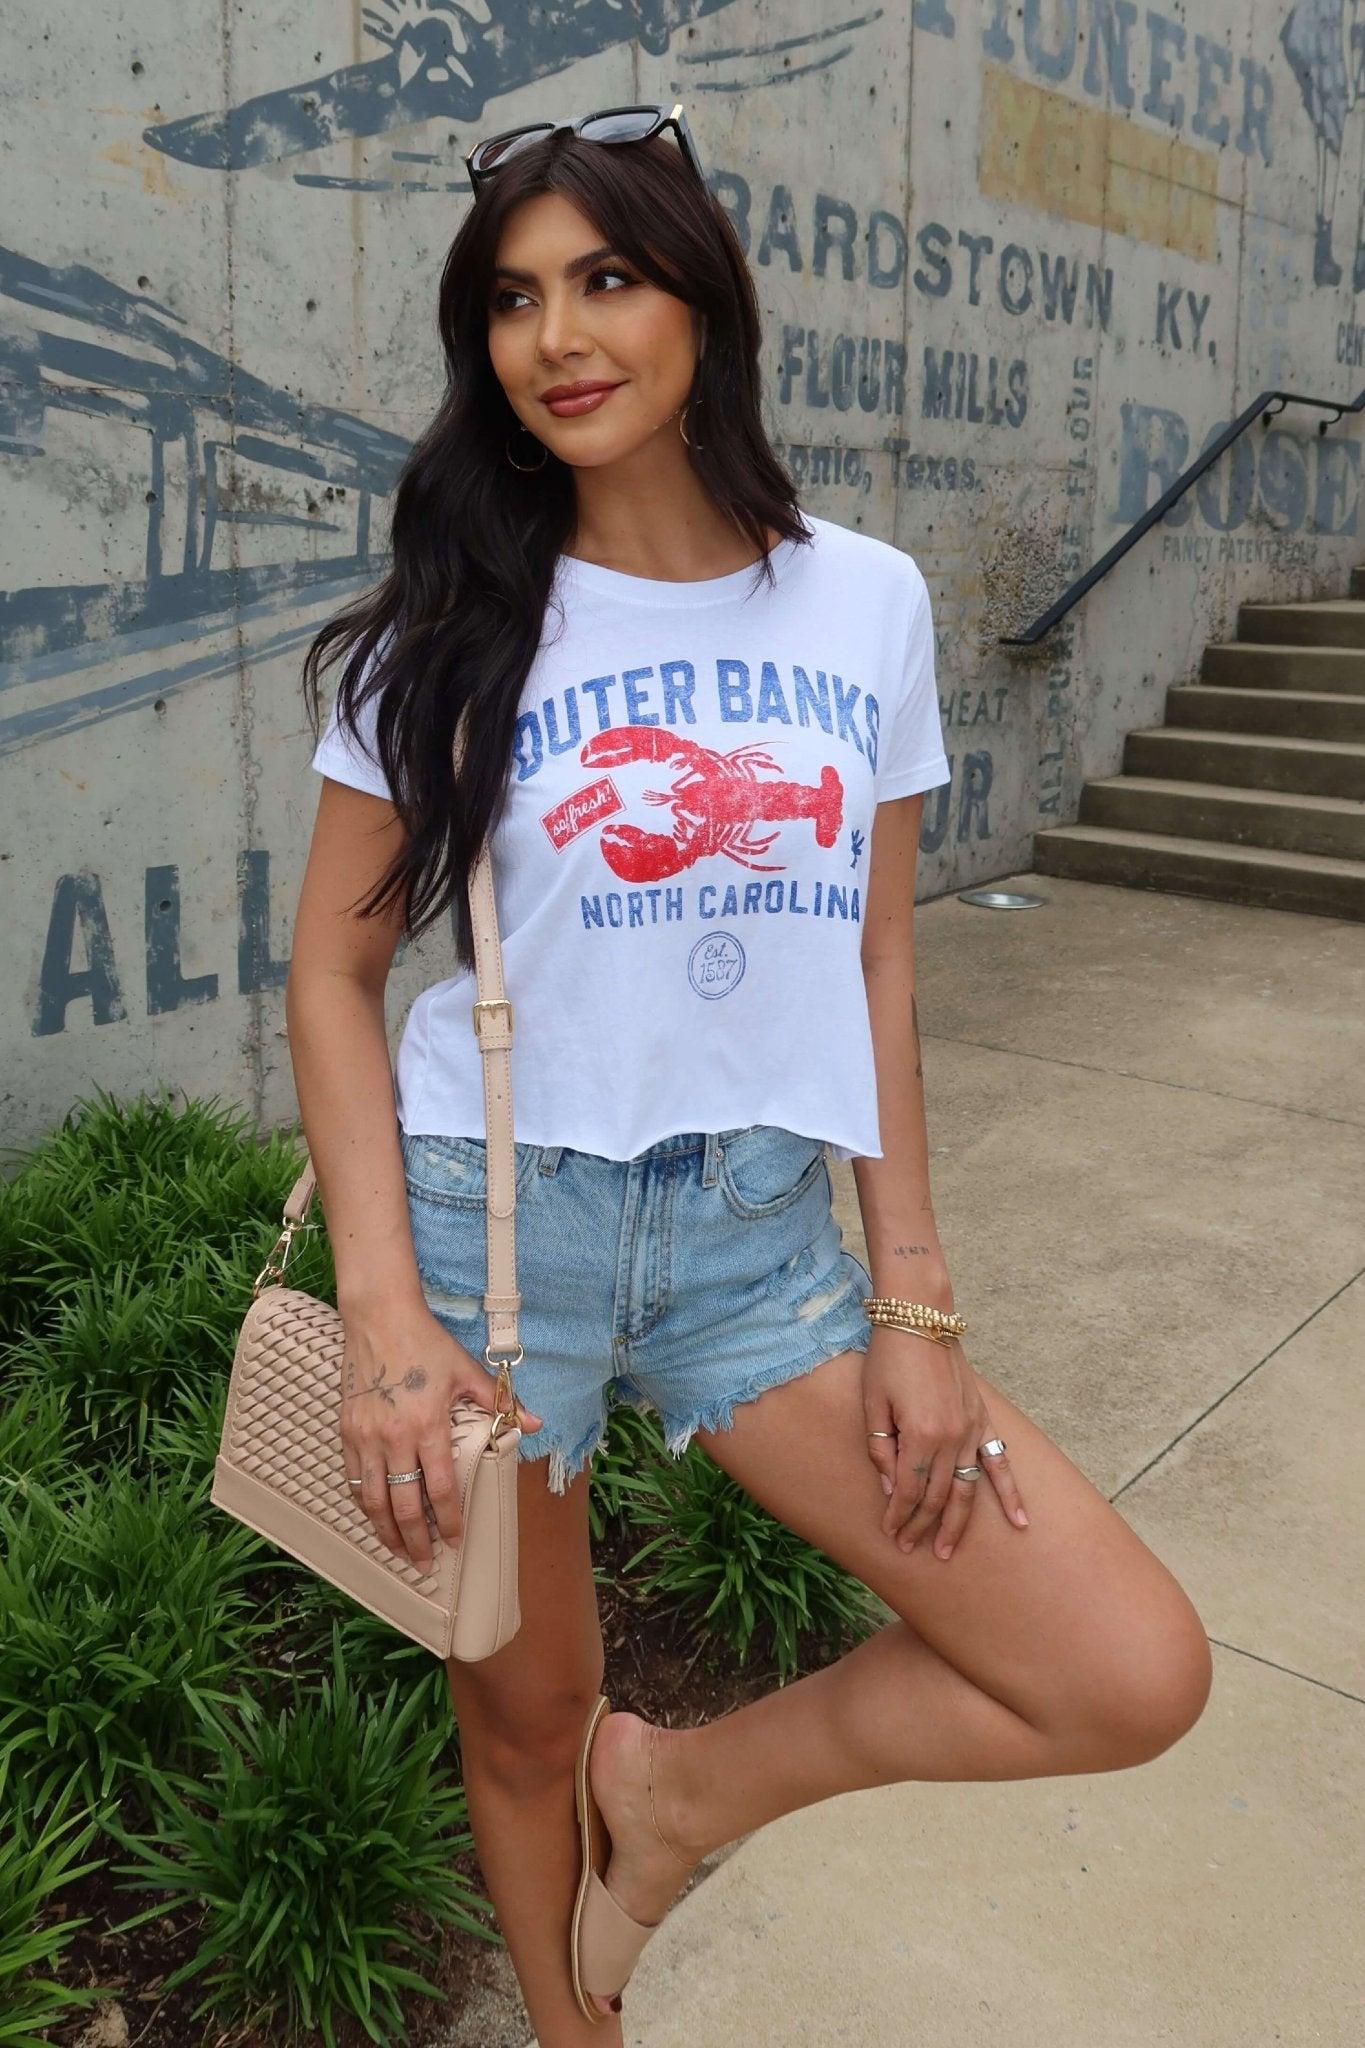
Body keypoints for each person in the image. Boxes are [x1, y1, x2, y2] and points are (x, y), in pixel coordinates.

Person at [286, 103, 1213, 2045]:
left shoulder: (861, 598)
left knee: (1122, 1667)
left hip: (753, 1246)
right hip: (493, 1239)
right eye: (513, 300)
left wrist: (915, 1302)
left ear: (702, 300)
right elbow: (336, 967)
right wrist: (381, 1313)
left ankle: (684, 1792)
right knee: (523, 1715)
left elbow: (876, 960)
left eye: (605, 279)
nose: (556, 337)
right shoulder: (449, 626)